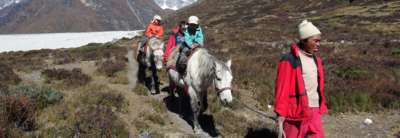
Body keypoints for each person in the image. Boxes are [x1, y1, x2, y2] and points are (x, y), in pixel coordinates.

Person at [274, 20, 328, 138]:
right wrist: (281, 115)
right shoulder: (289, 60)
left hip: (314, 112)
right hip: (295, 113)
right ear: (304, 40)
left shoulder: (317, 61)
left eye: (319, 41)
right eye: (315, 41)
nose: (318, 44)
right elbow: (282, 90)